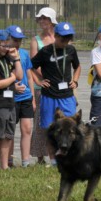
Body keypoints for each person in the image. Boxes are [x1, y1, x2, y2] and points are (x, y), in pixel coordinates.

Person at [30, 22, 81, 164]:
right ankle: (53, 161)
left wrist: (75, 81)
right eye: (63, 38)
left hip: (67, 97)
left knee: (70, 127)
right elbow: (30, 65)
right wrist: (39, 81)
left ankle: (68, 159)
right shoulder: (46, 51)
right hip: (49, 97)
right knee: (50, 129)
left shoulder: (71, 50)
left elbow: (77, 67)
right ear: (56, 36)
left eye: (68, 38)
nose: (66, 41)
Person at [0, 30, 25, 169]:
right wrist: (12, 78)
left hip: (10, 103)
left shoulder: (7, 58)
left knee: (8, 136)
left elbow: (20, 75)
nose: (7, 48)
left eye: (8, 45)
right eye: (4, 45)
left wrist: (16, 59)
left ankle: (4, 166)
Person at [29, 7, 57, 165]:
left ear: (52, 20)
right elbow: (33, 65)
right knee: (41, 121)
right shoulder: (36, 40)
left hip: (59, 87)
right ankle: (40, 156)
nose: (42, 21)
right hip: (43, 86)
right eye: (40, 19)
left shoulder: (60, 38)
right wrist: (45, 77)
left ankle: (58, 154)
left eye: (45, 18)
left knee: (58, 120)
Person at [7, 25, 34, 167]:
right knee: (10, 130)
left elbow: (29, 76)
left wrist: (33, 96)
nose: (18, 43)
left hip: (26, 97)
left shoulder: (23, 54)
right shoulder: (4, 54)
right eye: (15, 39)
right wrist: (13, 87)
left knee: (27, 128)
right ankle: (9, 160)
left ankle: (25, 161)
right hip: (11, 97)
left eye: (20, 40)